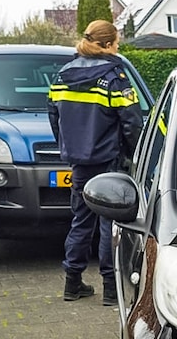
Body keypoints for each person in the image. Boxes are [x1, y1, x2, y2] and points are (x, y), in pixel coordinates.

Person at [48, 19, 143, 305]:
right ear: (108, 44)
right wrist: (137, 154)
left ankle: (72, 282)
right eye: (117, 43)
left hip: (79, 161)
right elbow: (131, 122)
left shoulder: (63, 74)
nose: (118, 48)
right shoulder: (115, 76)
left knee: (80, 220)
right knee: (109, 224)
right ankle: (111, 289)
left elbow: (54, 116)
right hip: (108, 159)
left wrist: (69, 146)